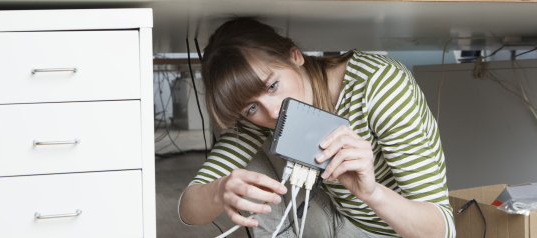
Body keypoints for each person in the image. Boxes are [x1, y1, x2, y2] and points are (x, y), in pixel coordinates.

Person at [179, 17, 455, 238]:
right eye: (251, 108)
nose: (273, 111)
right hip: (339, 223)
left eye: (273, 86)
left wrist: (372, 194)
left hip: (401, 231)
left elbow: (443, 231)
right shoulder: (263, 117)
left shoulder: (378, 86)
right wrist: (220, 191)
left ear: (295, 55)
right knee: (242, 173)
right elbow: (189, 209)